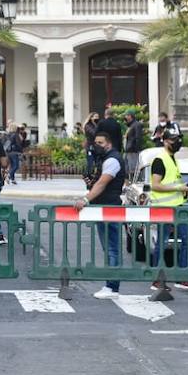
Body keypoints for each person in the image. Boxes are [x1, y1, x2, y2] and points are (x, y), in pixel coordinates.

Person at [71, 120, 125, 300]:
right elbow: (98, 182)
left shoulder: (113, 160)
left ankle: (112, 287)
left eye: (100, 143)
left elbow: (102, 184)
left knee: (112, 248)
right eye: (96, 143)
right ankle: (111, 286)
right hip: (104, 208)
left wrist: (86, 199)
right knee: (109, 247)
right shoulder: (105, 159)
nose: (97, 146)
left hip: (109, 208)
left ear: (109, 142)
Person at [149, 127, 188, 290]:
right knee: (162, 244)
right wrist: (179, 189)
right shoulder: (160, 159)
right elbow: (156, 186)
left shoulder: (172, 159)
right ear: (164, 141)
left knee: (187, 240)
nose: (177, 142)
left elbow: (171, 182)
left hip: (178, 208)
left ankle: (182, 277)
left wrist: (184, 190)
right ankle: (157, 279)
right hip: (164, 209)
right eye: (173, 139)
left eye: (178, 139)